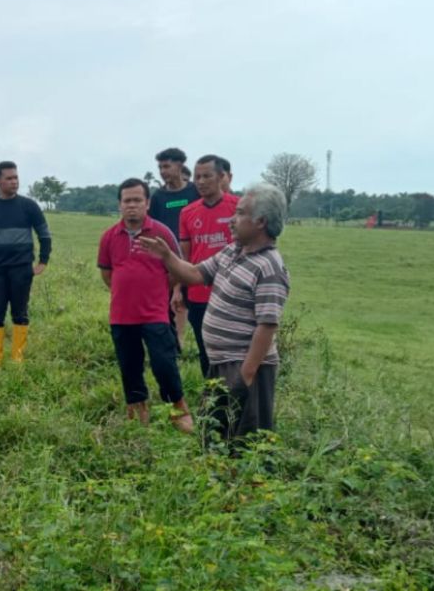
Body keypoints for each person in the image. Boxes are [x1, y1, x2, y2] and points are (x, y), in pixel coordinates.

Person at [139, 183, 290, 446]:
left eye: (240, 214)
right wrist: (166, 256)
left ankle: (248, 486)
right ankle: (216, 479)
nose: (232, 220)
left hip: (245, 365)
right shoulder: (234, 251)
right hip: (220, 362)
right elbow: (196, 274)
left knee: (246, 441)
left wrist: (246, 374)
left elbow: (267, 326)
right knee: (215, 432)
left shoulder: (269, 268)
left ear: (260, 222)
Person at [98, 179, 194, 432]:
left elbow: (175, 269)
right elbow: (107, 274)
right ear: (119, 204)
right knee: (129, 365)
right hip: (121, 315)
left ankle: (179, 409)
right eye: (127, 201)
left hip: (155, 313)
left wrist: (159, 292)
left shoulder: (161, 233)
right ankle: (137, 409)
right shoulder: (109, 237)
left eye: (137, 200)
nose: (132, 206)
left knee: (164, 363)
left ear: (147, 203)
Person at [0, 161, 52, 368]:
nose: (14, 182)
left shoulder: (29, 206)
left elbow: (44, 234)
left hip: (22, 269)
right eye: (9, 178)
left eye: (16, 177)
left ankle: (17, 357)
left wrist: (43, 260)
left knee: (20, 312)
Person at [176, 155, 239, 379]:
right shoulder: (187, 212)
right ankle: (211, 396)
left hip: (232, 292)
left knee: (233, 349)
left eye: (207, 176)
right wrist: (178, 289)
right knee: (206, 349)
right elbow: (185, 256)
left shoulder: (239, 207)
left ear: (222, 177)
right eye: (197, 177)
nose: (201, 182)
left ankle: (235, 394)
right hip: (199, 293)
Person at [148, 148, 200, 342]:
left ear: (179, 165)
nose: (163, 171)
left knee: (193, 302)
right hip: (166, 259)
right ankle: (176, 342)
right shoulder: (158, 198)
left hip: (194, 256)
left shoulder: (195, 191)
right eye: (160, 167)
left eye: (167, 166)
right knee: (169, 302)